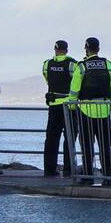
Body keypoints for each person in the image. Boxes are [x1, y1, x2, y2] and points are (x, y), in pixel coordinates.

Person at [67, 36, 111, 185]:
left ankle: (88, 175)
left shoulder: (81, 66)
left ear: (87, 49)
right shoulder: (108, 65)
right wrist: (110, 105)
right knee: (105, 145)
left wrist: (71, 106)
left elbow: (74, 89)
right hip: (104, 110)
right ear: (99, 48)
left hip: (85, 110)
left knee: (86, 144)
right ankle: (107, 175)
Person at [41, 40, 77, 177]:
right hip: (69, 107)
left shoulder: (47, 64)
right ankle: (68, 169)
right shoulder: (73, 64)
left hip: (54, 105)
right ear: (66, 50)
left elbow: (48, 80)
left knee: (51, 138)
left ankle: (49, 169)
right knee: (70, 138)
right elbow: (76, 82)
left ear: (55, 49)